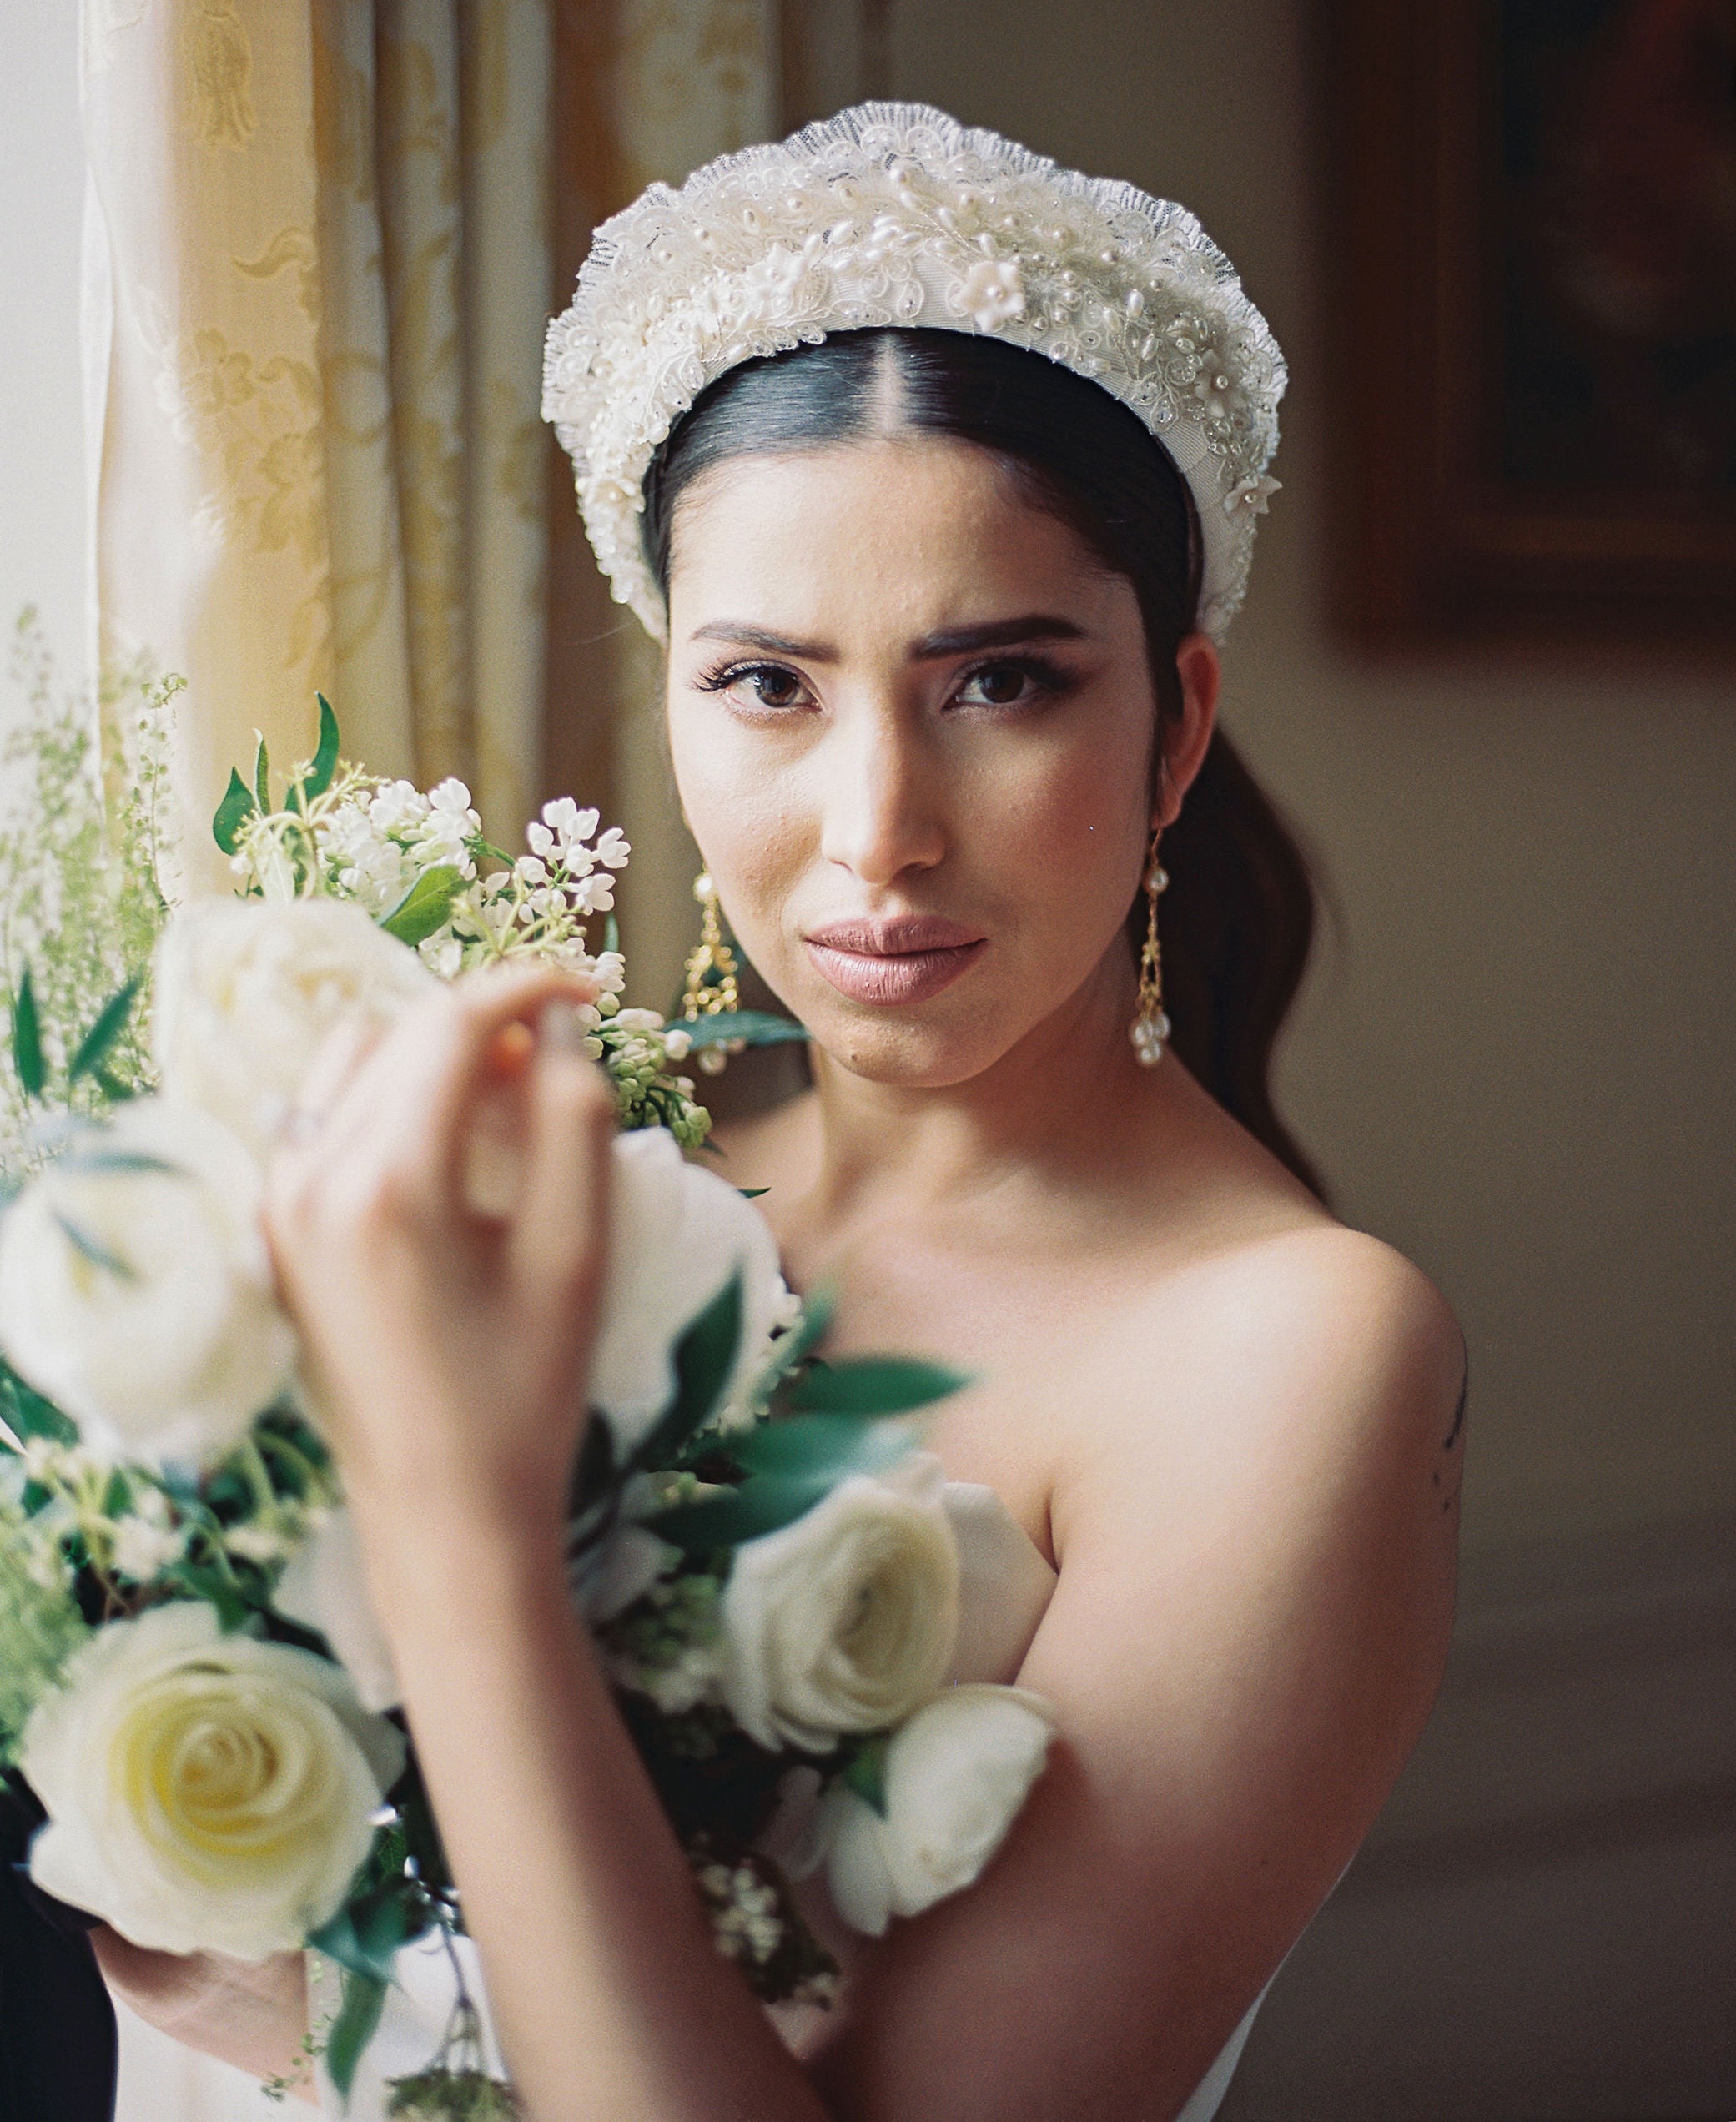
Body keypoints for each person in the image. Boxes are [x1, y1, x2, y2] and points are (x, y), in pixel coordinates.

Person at [98, 104, 1464, 2121]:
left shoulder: (1294, 1354)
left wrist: (457, 1523)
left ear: (1175, 719)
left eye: (999, 682)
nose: (878, 831)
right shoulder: (622, 1157)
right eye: (766, 683)